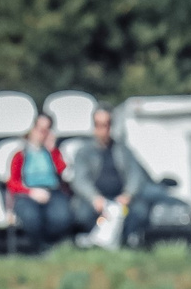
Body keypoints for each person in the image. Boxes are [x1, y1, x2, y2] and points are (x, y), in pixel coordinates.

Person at [66, 106, 178, 249]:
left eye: (107, 125)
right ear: (94, 127)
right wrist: (94, 197)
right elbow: (80, 180)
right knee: (83, 214)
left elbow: (135, 175)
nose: (104, 130)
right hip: (96, 200)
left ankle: (126, 243)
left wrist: (128, 195)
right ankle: (94, 243)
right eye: (99, 125)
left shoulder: (122, 149)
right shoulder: (84, 152)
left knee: (140, 211)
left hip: (121, 199)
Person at [7, 114, 76, 251]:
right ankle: (38, 249)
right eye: (40, 129)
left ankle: (53, 247)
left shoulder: (53, 153)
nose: (42, 134)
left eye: (46, 130)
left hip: (53, 191)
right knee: (31, 217)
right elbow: (12, 183)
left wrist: (53, 151)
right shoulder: (20, 155)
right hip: (28, 193)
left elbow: (63, 171)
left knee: (62, 216)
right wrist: (31, 192)